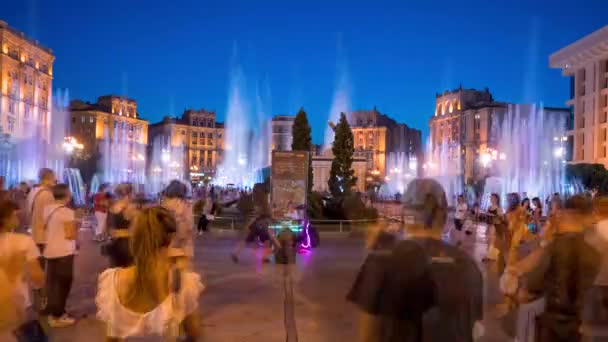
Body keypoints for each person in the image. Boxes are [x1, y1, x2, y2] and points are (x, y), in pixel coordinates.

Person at [348, 179, 483, 341]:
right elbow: (471, 330)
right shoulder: (467, 265)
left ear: (405, 214)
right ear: (444, 214)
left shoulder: (382, 260)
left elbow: (369, 335)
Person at [96, 206, 203, 341]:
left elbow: (111, 339)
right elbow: (194, 334)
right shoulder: (183, 282)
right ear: (170, 238)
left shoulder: (112, 281)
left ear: (134, 238)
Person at [507, 195, 601, 342]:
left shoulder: (555, 247)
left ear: (568, 214)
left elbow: (528, 291)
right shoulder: (593, 252)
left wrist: (520, 287)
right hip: (578, 325)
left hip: (552, 324)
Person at [0, 200, 45, 340]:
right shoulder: (22, 242)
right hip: (16, 306)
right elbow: (38, 279)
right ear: (5, 219)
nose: (18, 218)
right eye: (15, 215)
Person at [43, 184, 79, 327]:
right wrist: (77, 225)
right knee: (63, 284)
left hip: (50, 251)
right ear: (67, 195)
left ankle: (56, 311)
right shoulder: (67, 212)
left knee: (53, 283)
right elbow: (70, 235)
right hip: (64, 252)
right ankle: (57, 316)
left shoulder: (47, 209)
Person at [25, 168, 57, 255]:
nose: (56, 180)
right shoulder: (47, 194)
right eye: (54, 178)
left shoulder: (33, 191)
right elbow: (51, 216)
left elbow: (28, 210)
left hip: (33, 232)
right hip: (43, 235)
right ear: (49, 178)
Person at [105, 184, 137, 268]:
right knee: (128, 273)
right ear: (128, 195)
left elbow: (107, 230)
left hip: (114, 245)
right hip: (128, 246)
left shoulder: (112, 208)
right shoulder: (131, 209)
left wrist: (115, 233)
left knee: (116, 272)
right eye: (132, 193)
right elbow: (134, 230)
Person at [162, 180, 194, 266]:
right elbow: (189, 228)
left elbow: (182, 233)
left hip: (173, 249)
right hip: (181, 249)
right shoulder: (185, 206)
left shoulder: (168, 205)